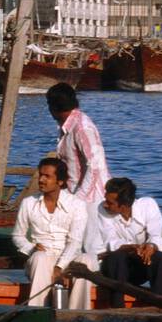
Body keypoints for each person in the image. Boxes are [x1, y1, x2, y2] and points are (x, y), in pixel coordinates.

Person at [10, 156, 89, 310]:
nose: (41, 180)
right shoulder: (29, 203)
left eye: (47, 176)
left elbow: (75, 241)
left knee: (87, 260)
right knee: (40, 258)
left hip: (69, 257)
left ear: (60, 181)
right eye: (41, 175)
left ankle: (76, 315)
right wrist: (31, 248)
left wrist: (59, 268)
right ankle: (37, 313)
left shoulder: (77, 205)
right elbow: (17, 235)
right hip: (41, 257)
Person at [46, 81, 109, 253]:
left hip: (91, 198)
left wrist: (79, 199)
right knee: (73, 243)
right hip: (74, 194)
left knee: (90, 246)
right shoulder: (67, 126)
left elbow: (95, 166)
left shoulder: (82, 127)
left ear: (53, 107)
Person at [90, 175, 162, 310]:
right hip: (114, 268)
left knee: (159, 257)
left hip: (138, 267)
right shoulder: (102, 210)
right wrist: (131, 248)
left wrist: (151, 246)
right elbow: (111, 241)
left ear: (124, 206)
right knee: (118, 256)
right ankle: (117, 308)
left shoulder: (148, 205)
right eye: (106, 200)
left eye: (110, 203)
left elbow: (156, 235)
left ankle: (161, 308)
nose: (105, 204)